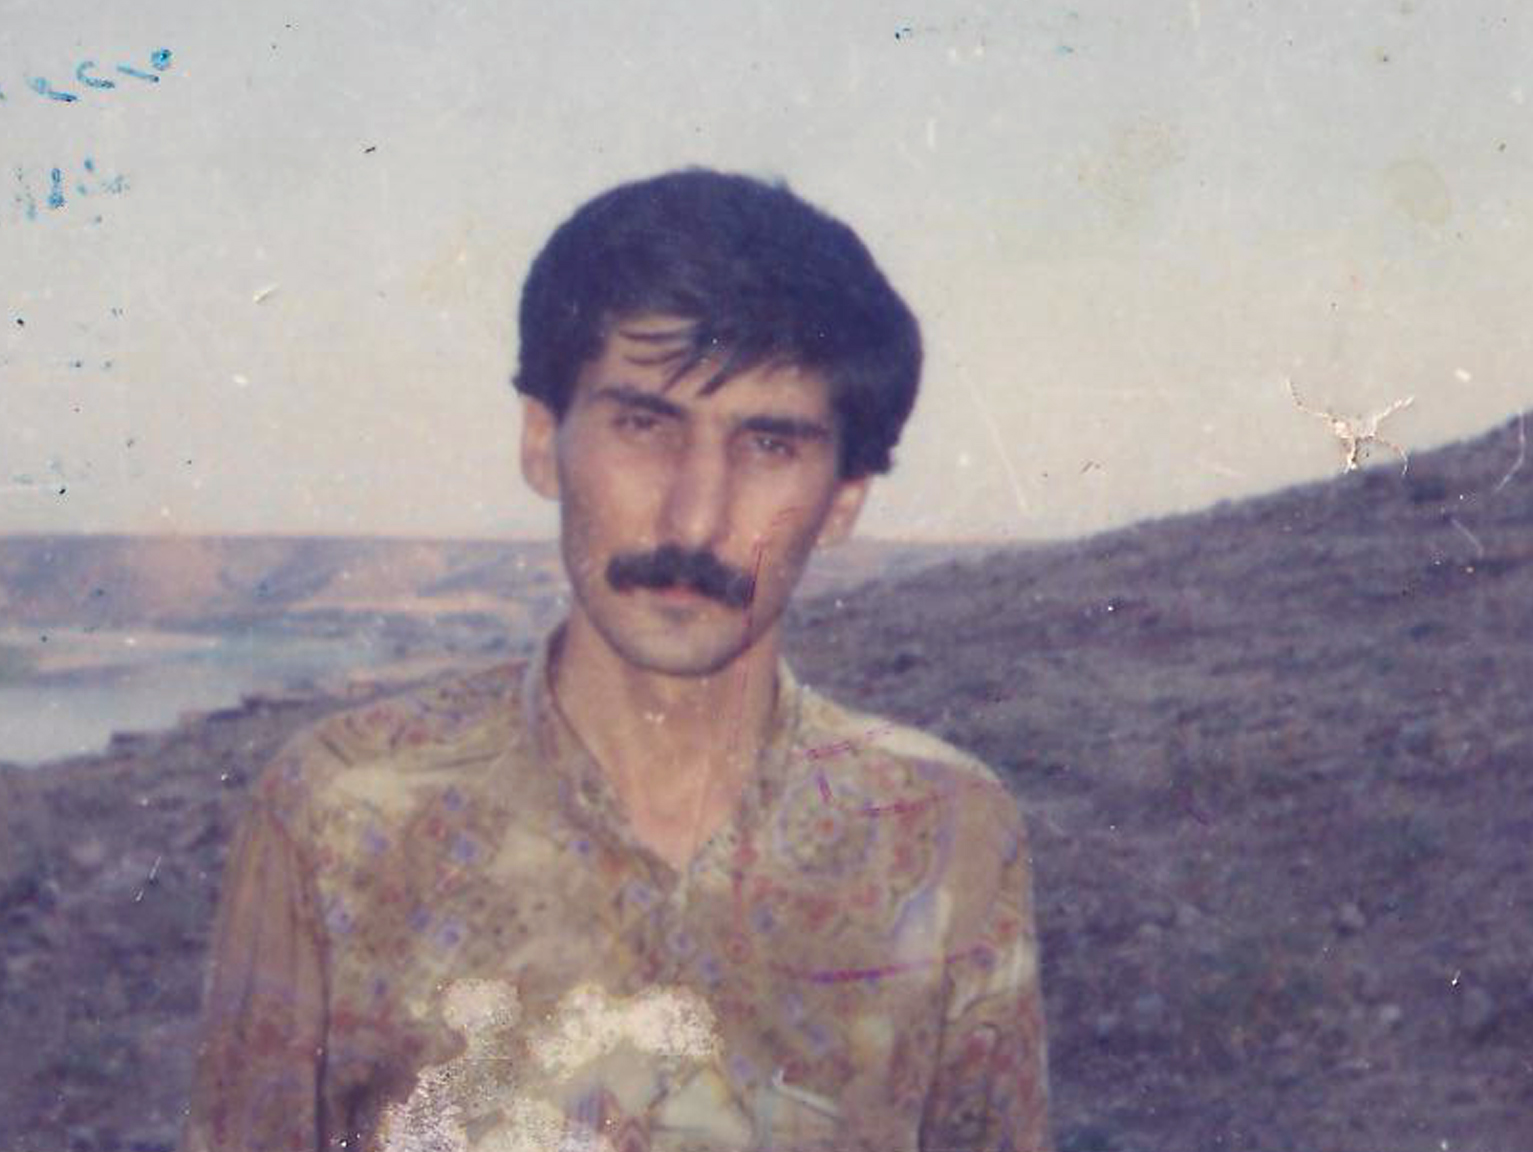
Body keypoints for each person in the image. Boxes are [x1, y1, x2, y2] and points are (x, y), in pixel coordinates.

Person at [182, 168, 1052, 1152]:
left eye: (769, 446)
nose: (695, 518)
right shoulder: (342, 816)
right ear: (542, 440)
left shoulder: (944, 832)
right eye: (644, 425)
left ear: (843, 498)